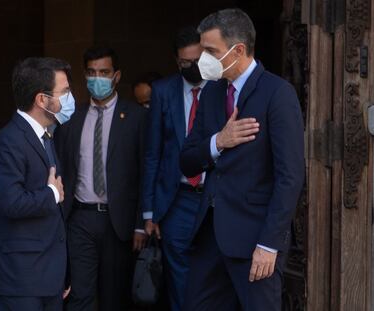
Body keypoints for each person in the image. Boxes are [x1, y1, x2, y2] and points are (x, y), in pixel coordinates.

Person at [179, 8, 305, 311]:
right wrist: (218, 142)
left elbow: (290, 176)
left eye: (210, 51)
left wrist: (269, 243)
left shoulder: (277, 93)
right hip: (210, 237)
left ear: (237, 50)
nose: (202, 59)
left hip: (254, 240)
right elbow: (187, 160)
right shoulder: (211, 92)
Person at [54, 46, 147, 311]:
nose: (98, 78)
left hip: (118, 222)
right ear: (85, 75)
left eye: (104, 72)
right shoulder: (71, 118)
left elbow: (144, 172)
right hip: (80, 218)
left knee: (113, 298)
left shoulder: (137, 117)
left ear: (116, 76)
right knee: (79, 295)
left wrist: (141, 223)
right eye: (92, 72)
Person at [0, 57, 74, 311]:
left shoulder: (47, 136)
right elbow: (10, 203)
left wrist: (60, 273)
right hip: (19, 278)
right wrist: (51, 193)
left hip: (47, 276)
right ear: (41, 99)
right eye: (64, 92)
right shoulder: (8, 141)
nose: (70, 98)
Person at [142, 26, 207, 311]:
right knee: (178, 279)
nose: (192, 67)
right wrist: (149, 212)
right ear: (176, 61)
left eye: (197, 60)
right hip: (176, 200)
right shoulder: (163, 91)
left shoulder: (221, 88)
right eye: (185, 63)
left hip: (212, 198)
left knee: (211, 276)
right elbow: (152, 153)